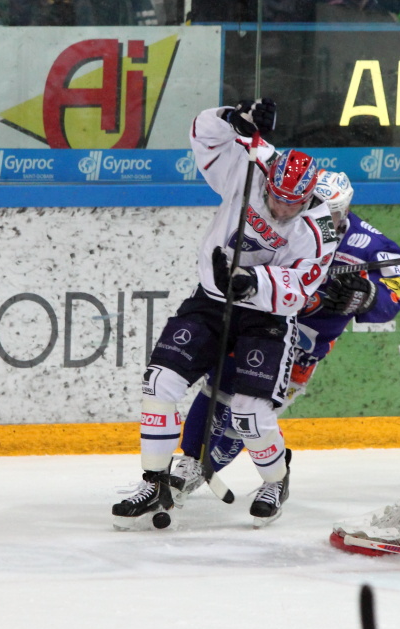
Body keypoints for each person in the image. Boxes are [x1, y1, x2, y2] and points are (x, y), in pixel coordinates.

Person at [111, 98, 339, 529]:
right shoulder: (253, 167)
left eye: (295, 202)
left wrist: (255, 283)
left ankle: (275, 479)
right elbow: (202, 135)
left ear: (309, 196)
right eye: (277, 197)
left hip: (265, 318)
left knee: (249, 415)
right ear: (269, 181)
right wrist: (234, 117)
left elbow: (301, 289)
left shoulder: (319, 225)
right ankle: (154, 480)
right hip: (211, 301)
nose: (282, 207)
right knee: (159, 382)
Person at [169, 169, 400, 511]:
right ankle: (190, 462)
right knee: (218, 385)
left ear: (346, 209)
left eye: (332, 212)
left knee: (247, 418)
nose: (322, 217)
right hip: (262, 329)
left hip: (301, 351)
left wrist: (369, 297)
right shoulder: (289, 226)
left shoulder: (373, 246)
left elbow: (392, 299)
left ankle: (271, 477)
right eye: (315, 206)